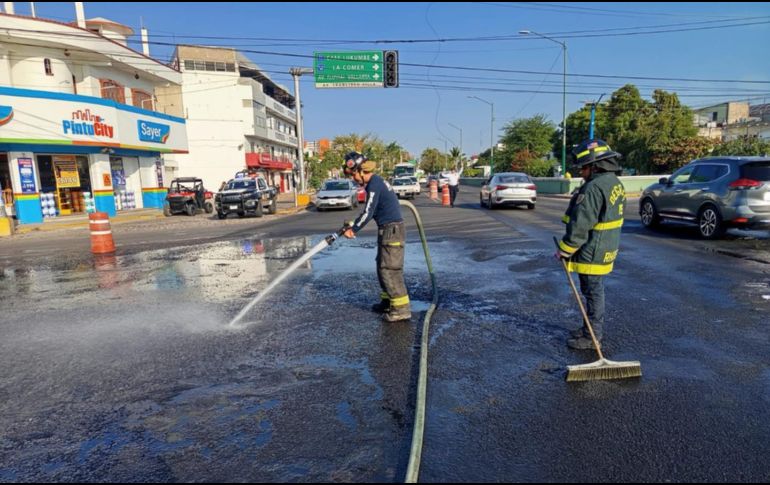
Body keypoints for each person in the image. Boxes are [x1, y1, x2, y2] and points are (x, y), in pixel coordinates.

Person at [555, 139, 625, 350]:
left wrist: (564, 250)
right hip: (605, 245)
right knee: (593, 290)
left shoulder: (593, 188)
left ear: (596, 166)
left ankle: (592, 337)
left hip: (593, 247)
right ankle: (589, 329)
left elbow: (581, 225)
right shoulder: (613, 182)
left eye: (584, 167)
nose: (581, 171)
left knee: (592, 292)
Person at [342, 151, 411, 322]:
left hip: (392, 230)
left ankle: (401, 309)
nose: (353, 179)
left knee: (390, 269)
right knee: (382, 266)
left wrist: (354, 229)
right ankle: (388, 302)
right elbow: (371, 211)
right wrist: (354, 223)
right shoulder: (376, 183)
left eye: (353, 175)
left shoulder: (374, 185)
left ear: (361, 171)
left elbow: (369, 211)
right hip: (387, 230)